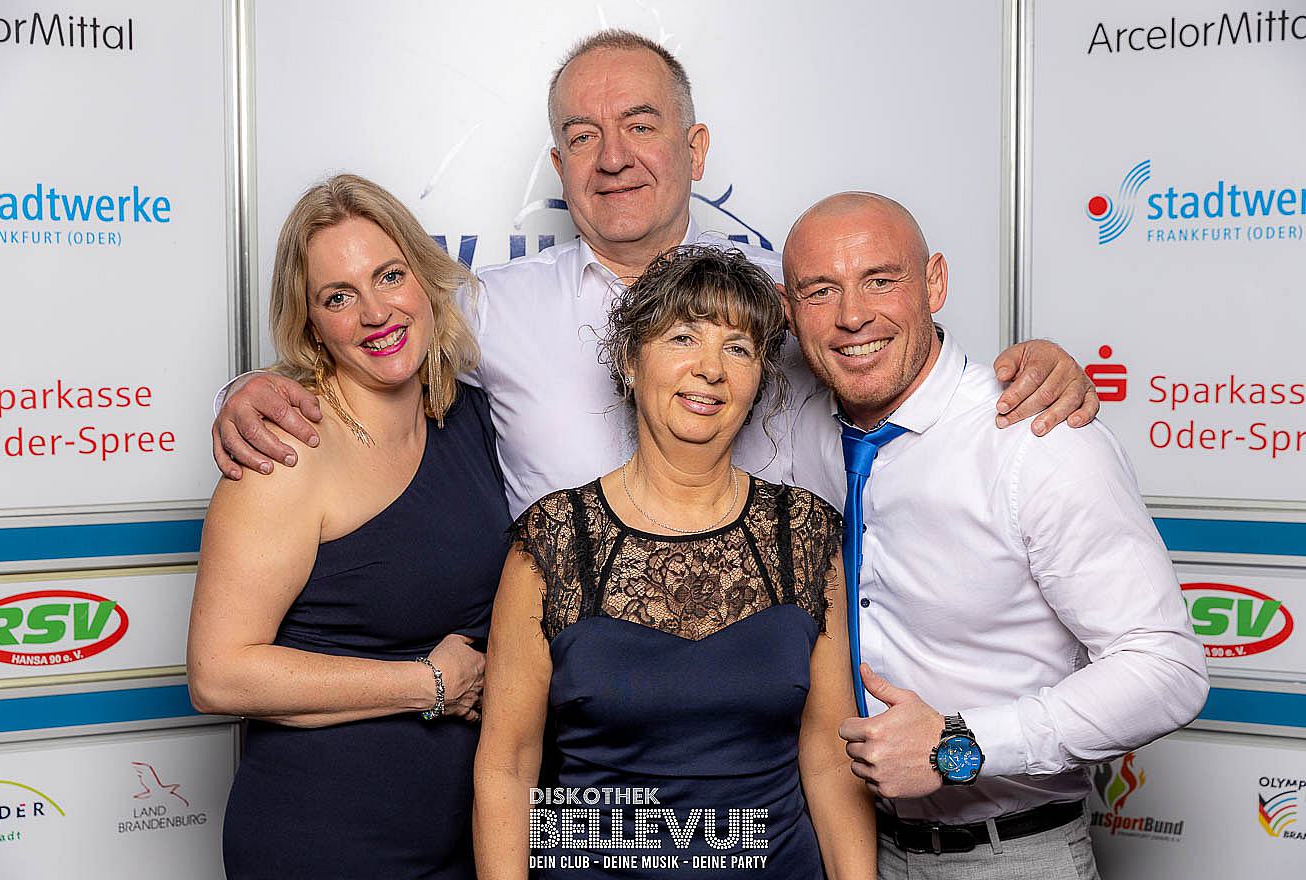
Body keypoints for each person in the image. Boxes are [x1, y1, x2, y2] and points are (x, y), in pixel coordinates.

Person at [209, 30, 1101, 514]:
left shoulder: (789, 298)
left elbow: (909, 366)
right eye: (583, 137)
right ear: (559, 168)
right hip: (575, 707)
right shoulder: (492, 309)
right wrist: (249, 389)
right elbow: (371, 342)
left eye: (640, 126)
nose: (613, 158)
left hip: (776, 691)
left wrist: (1035, 368)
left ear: (695, 148)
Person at [780, 192, 1209, 880]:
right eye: (820, 290)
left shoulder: (1038, 440)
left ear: (935, 284)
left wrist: (961, 745)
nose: (852, 315)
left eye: (880, 280)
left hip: (1012, 855)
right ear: (788, 308)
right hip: (851, 847)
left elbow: (1167, 668)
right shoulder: (790, 433)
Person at [474, 245, 875, 879]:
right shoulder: (555, 540)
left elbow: (828, 756)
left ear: (759, 380)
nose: (710, 369)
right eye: (683, 337)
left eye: (738, 348)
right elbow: (507, 765)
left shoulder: (802, 533)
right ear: (630, 362)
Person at [186, 175, 510, 879]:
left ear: (425, 279)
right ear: (310, 323)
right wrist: (426, 683)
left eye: (390, 276)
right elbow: (220, 674)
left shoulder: (471, 419)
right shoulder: (286, 449)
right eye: (338, 296)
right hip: (323, 840)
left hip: (463, 836)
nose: (375, 312)